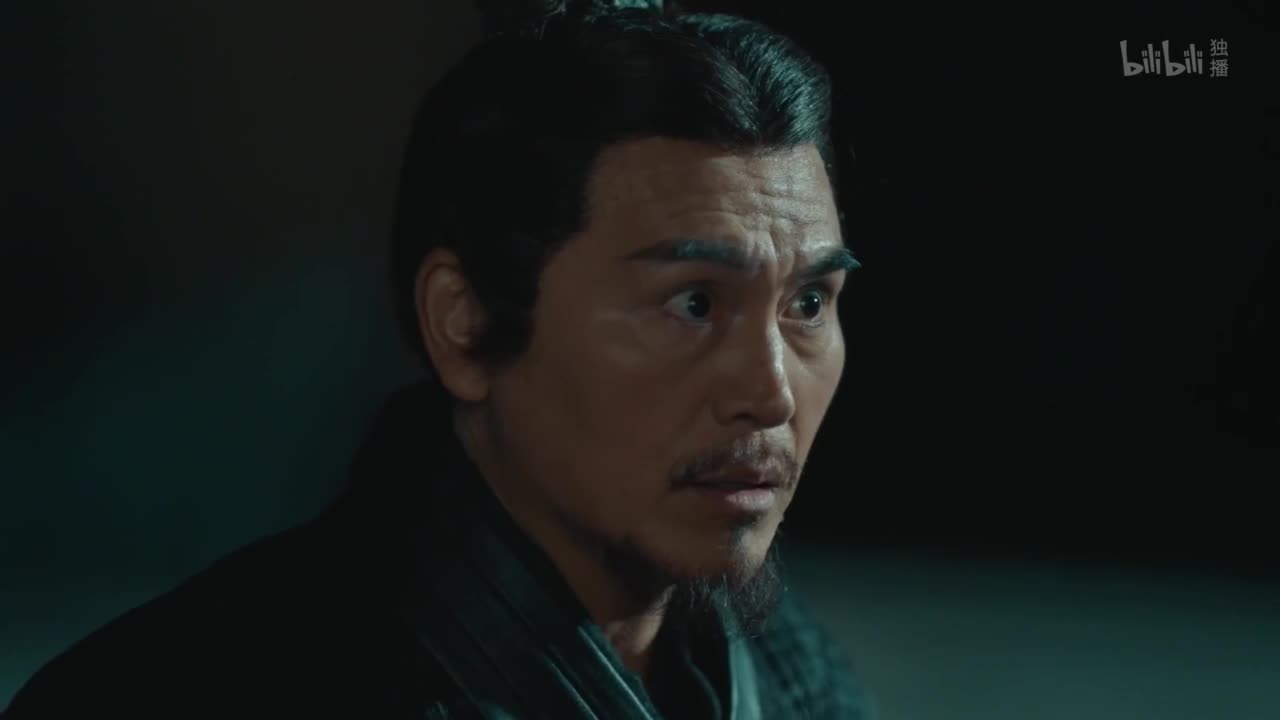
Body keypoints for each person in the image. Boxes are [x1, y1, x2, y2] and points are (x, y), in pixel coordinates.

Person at [4, 0, 873, 717]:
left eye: (807, 304)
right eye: (693, 304)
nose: (769, 394)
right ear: (464, 323)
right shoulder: (177, 695)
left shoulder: (791, 674)